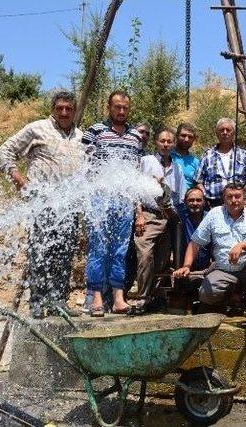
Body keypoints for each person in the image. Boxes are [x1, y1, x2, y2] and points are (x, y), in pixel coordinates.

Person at [0, 90, 84, 319]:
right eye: (60, 108)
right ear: (53, 109)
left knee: (64, 255)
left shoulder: (80, 136)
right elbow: (5, 150)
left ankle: (58, 301)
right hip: (43, 202)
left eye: (69, 108)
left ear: (74, 111)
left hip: (69, 204)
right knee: (40, 253)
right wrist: (17, 176)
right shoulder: (36, 129)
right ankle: (37, 302)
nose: (64, 112)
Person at [81, 90, 143, 316]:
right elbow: (84, 167)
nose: (121, 111)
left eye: (125, 107)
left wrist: (138, 210)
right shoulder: (95, 131)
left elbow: (136, 176)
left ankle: (118, 297)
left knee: (120, 249)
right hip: (100, 198)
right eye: (117, 107)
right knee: (97, 247)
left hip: (124, 201)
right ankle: (96, 297)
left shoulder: (135, 136)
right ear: (109, 107)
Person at [172, 183, 246, 317]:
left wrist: (243, 245)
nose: (234, 200)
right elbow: (195, 242)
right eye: (229, 197)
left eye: (238, 196)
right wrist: (187, 265)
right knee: (206, 294)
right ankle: (233, 301)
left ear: (245, 198)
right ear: (223, 199)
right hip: (224, 269)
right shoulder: (214, 214)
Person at [134, 128, 185, 311]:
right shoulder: (146, 161)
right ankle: (142, 297)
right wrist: (139, 214)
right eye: (162, 141)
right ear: (156, 142)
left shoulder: (177, 168)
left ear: (173, 144)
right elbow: (135, 190)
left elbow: (179, 198)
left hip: (168, 217)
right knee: (145, 255)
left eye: (169, 141)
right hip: (148, 214)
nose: (165, 144)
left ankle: (155, 298)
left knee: (163, 260)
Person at [194, 118, 246, 209]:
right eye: (221, 130)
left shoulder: (244, 155)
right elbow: (198, 181)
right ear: (217, 133)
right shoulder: (207, 155)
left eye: (228, 130)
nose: (225, 132)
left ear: (234, 133)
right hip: (214, 205)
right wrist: (205, 197)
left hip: (239, 203)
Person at [172, 123, 201, 191]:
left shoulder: (196, 162)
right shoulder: (167, 155)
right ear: (177, 136)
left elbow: (197, 183)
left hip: (188, 200)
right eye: (183, 135)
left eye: (190, 137)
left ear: (193, 140)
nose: (186, 139)